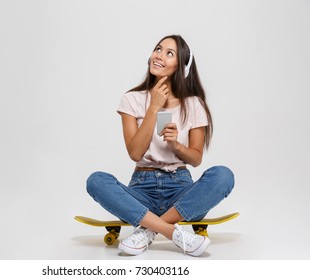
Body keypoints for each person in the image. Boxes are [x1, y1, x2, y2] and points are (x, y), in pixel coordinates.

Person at [86, 34, 234, 257]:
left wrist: (177, 146)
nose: (159, 55)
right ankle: (170, 230)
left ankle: (147, 231)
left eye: (169, 53)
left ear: (181, 66)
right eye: (158, 49)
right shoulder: (132, 99)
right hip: (141, 190)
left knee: (223, 175)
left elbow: (195, 159)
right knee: (96, 181)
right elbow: (135, 153)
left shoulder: (194, 104)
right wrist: (153, 108)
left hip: (181, 190)